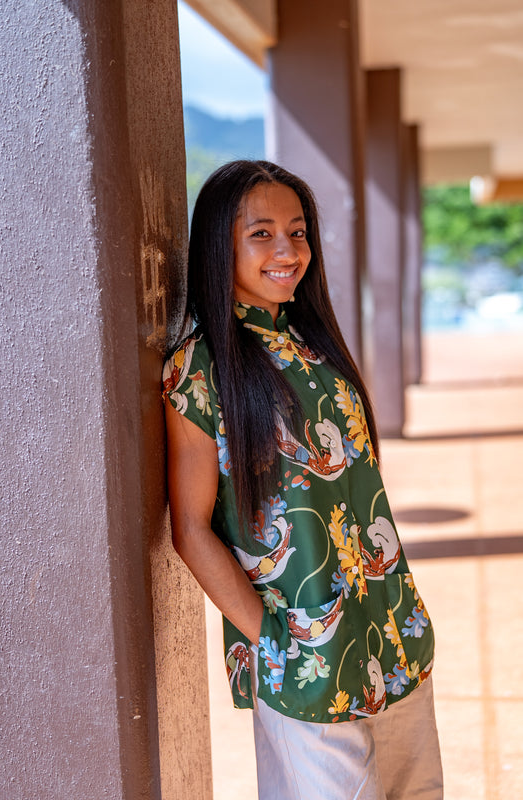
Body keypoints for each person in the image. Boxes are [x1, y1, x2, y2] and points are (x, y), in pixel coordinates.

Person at [163, 160, 443, 800]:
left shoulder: (317, 349)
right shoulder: (199, 371)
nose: (288, 250)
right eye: (261, 234)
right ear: (219, 245)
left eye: (298, 231)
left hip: (391, 633)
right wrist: (276, 645)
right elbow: (191, 529)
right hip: (305, 658)